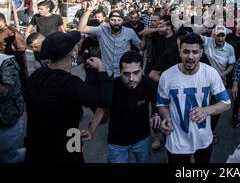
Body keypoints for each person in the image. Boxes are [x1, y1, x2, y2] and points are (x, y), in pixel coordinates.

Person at [25, 31, 114, 163]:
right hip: (68, 143)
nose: (78, 47)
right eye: (75, 45)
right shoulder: (70, 83)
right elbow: (104, 99)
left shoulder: (36, 75)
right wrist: (102, 69)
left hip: (37, 144)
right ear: (72, 53)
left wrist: (91, 128)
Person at [157, 34, 231, 163]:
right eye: (186, 52)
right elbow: (162, 104)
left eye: (195, 52)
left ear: (201, 52)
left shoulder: (210, 73)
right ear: (179, 52)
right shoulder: (167, 76)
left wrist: (206, 110)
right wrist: (166, 117)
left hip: (203, 139)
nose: (190, 56)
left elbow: (226, 103)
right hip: (176, 141)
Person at [83, 51, 160, 163]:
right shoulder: (112, 86)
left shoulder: (149, 84)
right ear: (120, 72)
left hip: (143, 138)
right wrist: (91, 130)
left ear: (142, 70)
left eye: (136, 73)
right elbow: (102, 108)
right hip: (117, 141)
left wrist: (156, 114)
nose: (132, 79)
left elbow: (158, 102)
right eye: (126, 74)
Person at [78, 0, 141, 78]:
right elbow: (81, 28)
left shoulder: (130, 32)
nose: (116, 22)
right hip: (105, 73)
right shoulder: (101, 30)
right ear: (108, 20)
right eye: (113, 20)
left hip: (123, 74)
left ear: (123, 21)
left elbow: (140, 47)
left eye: (119, 20)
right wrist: (88, 11)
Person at [0, 54, 26, 163]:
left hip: (8, 120)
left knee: (9, 157)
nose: (10, 35)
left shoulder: (5, 61)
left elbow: (9, 92)